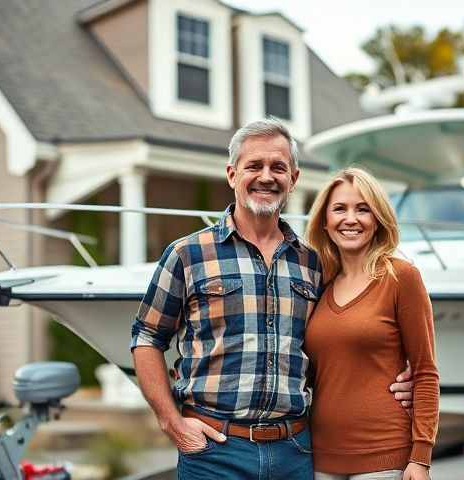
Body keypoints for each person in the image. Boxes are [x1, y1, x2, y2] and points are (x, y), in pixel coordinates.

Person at [130, 119, 413, 480]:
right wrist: (171, 422)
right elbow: (147, 337)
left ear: (293, 179)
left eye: (278, 167)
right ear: (232, 174)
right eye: (254, 166)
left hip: (295, 451)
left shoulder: (315, 263)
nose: (267, 176)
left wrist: (398, 372)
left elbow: (346, 336)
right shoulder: (188, 254)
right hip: (214, 452)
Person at [304, 168, 439, 480]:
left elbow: (425, 372)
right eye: (340, 208)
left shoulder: (401, 277)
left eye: (363, 209)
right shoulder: (319, 283)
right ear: (325, 221)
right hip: (321, 456)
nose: (351, 219)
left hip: (385, 456)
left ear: (377, 218)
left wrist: (421, 458)